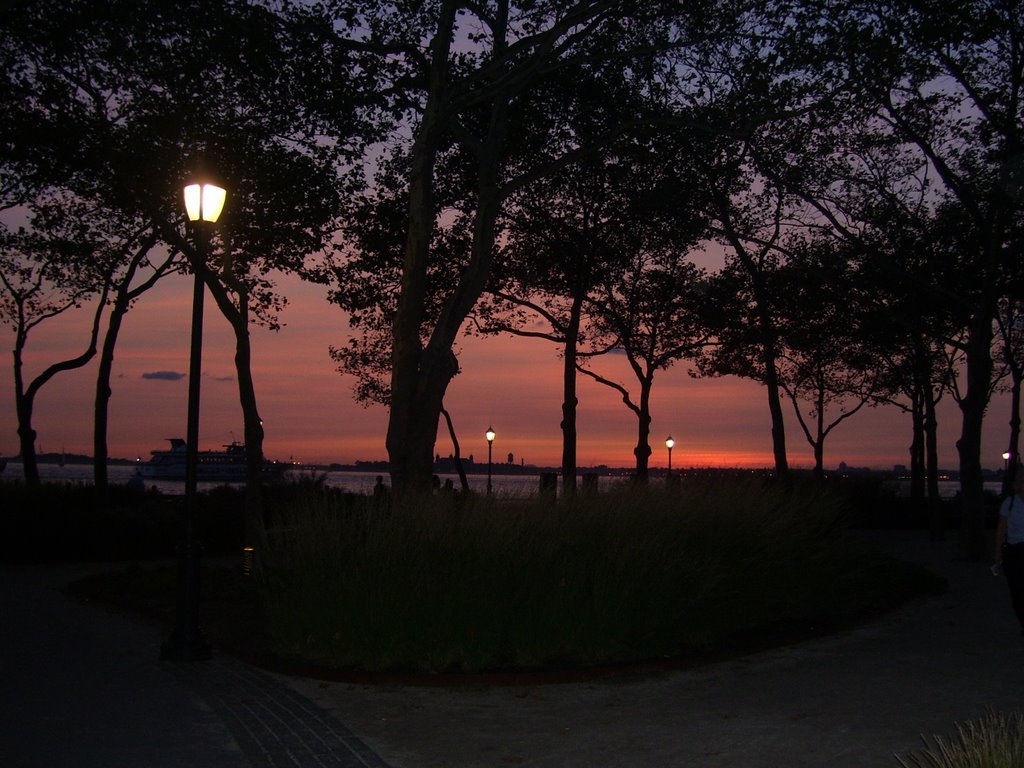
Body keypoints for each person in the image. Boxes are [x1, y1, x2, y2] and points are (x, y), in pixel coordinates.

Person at [995, 472, 1024, 636]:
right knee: (1017, 591)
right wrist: (997, 554)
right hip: (1015, 550)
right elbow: (1001, 529)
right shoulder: (1010, 502)